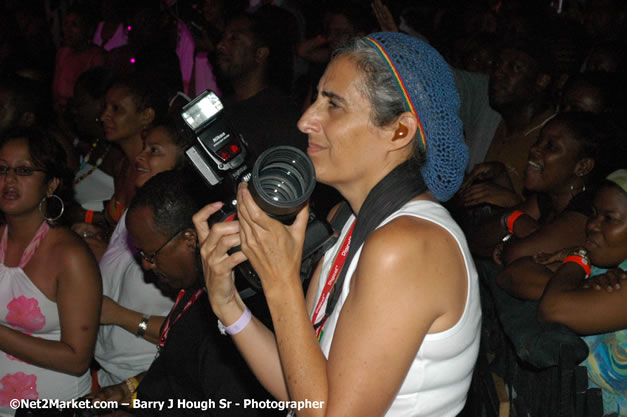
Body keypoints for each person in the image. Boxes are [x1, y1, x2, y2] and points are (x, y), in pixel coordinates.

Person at [197, 32, 481, 416]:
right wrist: (228, 305)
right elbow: (303, 387)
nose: (305, 120)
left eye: (333, 105)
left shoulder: (407, 246)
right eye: (315, 98)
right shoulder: (348, 220)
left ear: (400, 131)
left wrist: (280, 282)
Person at [89, 171, 276, 417]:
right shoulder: (196, 293)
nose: (146, 265)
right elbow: (185, 375)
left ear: (189, 239)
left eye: (150, 255)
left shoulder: (235, 322)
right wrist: (131, 389)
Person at [0, 127, 102, 416]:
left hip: (51, 409)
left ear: (51, 184)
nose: (9, 180)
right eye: (2, 169)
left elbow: (77, 359)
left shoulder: (69, 256)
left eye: (24, 171)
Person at [94, 122, 196, 390]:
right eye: (143, 148)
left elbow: (191, 330)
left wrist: (117, 315)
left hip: (147, 382)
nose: (140, 156)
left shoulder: (187, 245)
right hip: (107, 375)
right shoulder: (134, 215)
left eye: (154, 150)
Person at [534, 169, 627, 415]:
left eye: (610, 218)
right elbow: (514, 275)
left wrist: (579, 259)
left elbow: (552, 308)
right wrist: (581, 262)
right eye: (594, 214)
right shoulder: (608, 267)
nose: (593, 225)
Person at [52, 6, 105, 115]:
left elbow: (95, 96)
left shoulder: (96, 56)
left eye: (74, 25)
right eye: (66, 24)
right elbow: (55, 88)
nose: (67, 30)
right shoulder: (62, 53)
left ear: (88, 30)